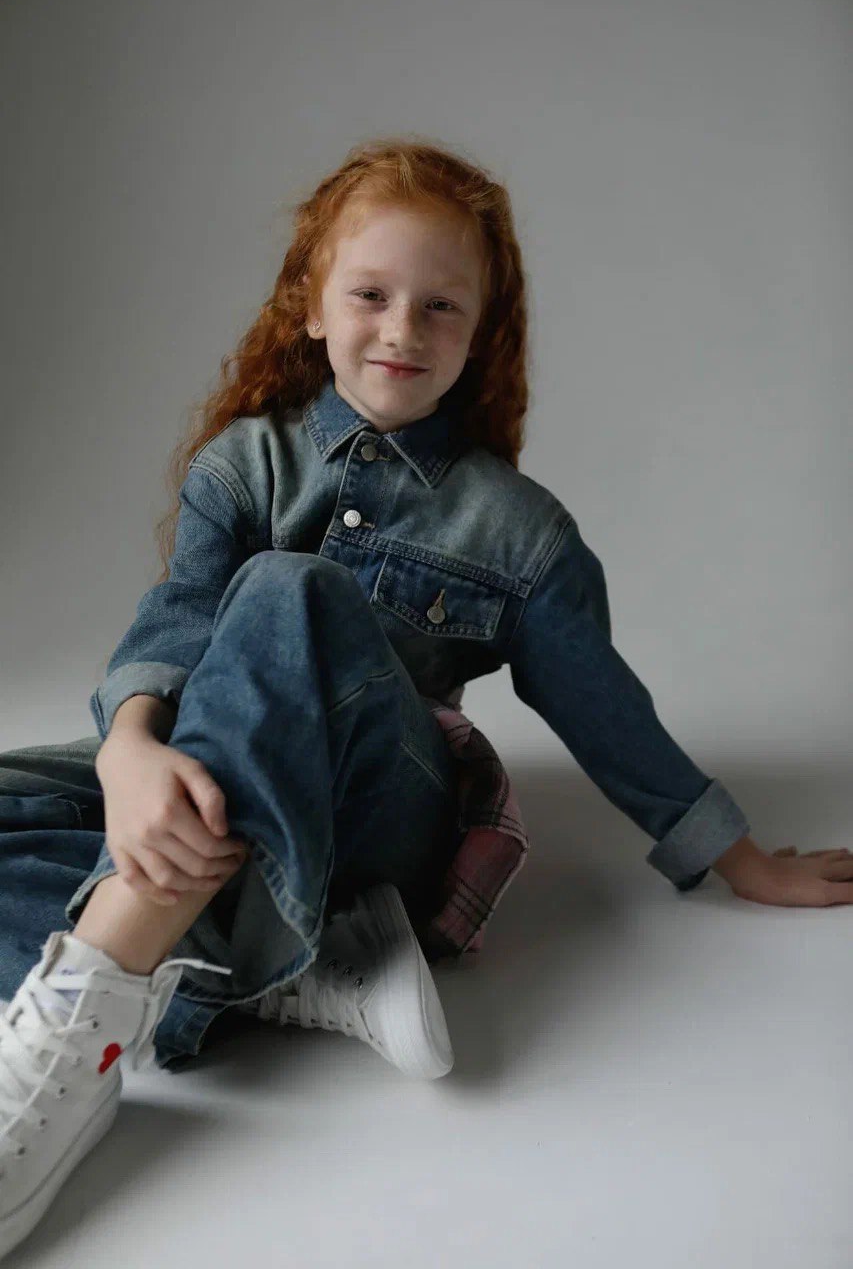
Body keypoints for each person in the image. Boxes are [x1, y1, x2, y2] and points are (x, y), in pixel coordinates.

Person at [1, 136, 851, 1261]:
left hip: (383, 820)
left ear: (479, 333)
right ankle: (284, 965)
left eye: (441, 306)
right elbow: (177, 619)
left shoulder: (519, 532)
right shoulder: (242, 465)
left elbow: (606, 708)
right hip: (220, 802)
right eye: (371, 295)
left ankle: (88, 1018)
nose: (402, 329)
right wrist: (127, 749)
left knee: (290, 588)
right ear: (311, 308)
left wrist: (737, 859)